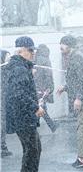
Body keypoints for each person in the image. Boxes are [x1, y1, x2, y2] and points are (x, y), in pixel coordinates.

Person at [56, 35, 83, 168]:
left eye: (62, 43)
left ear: (69, 44)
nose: (60, 46)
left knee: (81, 127)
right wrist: (65, 87)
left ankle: (81, 158)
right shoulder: (74, 56)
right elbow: (75, 80)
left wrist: (79, 98)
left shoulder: (77, 57)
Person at [4, 36, 45, 172]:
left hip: (21, 116)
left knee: (33, 149)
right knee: (33, 150)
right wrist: (35, 107)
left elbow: (20, 90)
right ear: (21, 51)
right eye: (31, 50)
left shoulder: (20, 66)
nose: (34, 53)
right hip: (23, 117)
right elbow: (18, 93)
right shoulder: (19, 68)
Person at [33, 44, 57, 132]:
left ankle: (50, 125)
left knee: (40, 107)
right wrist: (50, 87)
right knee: (41, 108)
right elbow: (48, 75)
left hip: (36, 87)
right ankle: (51, 125)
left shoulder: (35, 59)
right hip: (42, 88)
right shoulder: (45, 60)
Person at [1, 49, 12, 157]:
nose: (9, 59)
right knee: (1, 124)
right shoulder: (3, 70)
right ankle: (2, 147)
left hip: (4, 101)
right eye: (7, 57)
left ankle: (3, 147)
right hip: (2, 101)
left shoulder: (5, 69)